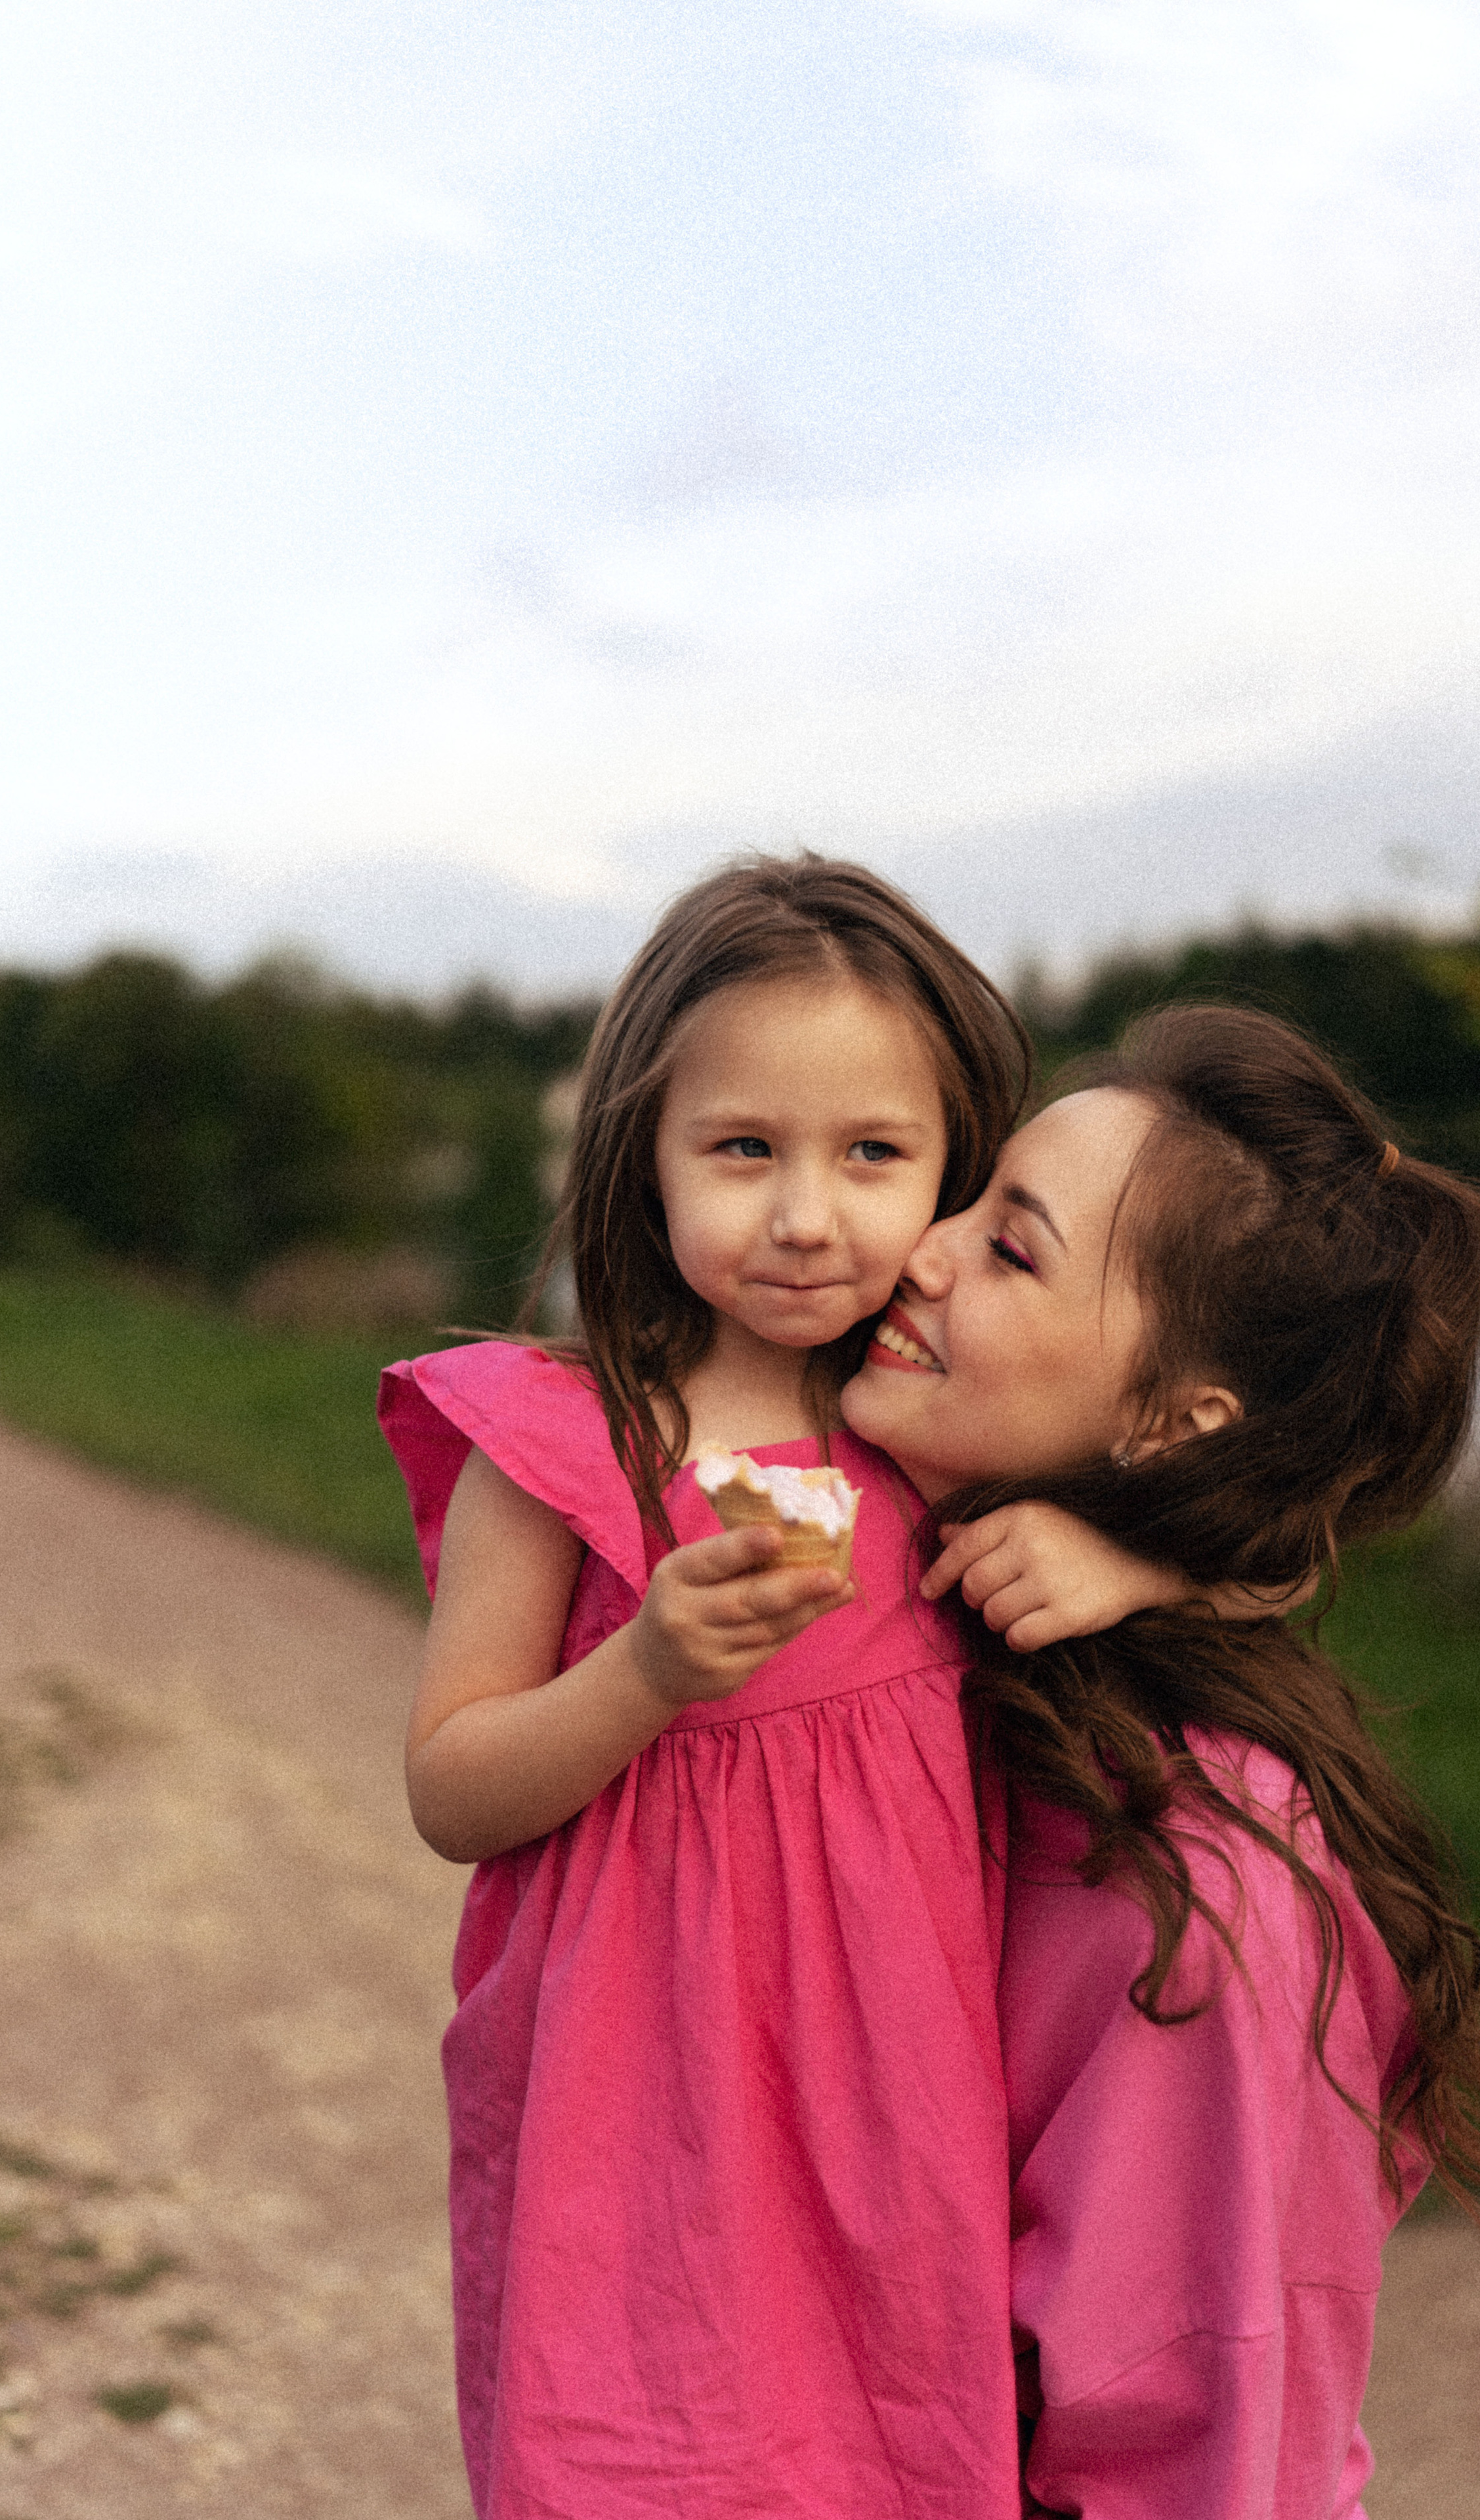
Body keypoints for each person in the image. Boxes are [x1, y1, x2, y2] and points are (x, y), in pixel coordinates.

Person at [379, 856, 1188, 2520]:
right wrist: (646, 1667)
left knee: (879, 2455)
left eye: (872, 1155)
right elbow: (452, 1788)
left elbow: (1286, 1517)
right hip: (631, 2102)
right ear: (644, 1155)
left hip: (893, 2109)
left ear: (952, 1166)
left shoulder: (926, 1423)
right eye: (742, 1149)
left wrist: (1140, 1563)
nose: (806, 1215)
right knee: (634, 2459)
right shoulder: (561, 1445)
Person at [841, 1003, 1480, 2520]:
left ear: (1175, 1420)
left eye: (1010, 1246)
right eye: (966, 1196)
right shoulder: (883, 1583)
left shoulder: (1185, 1874)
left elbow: (1203, 2436)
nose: (917, 1246)